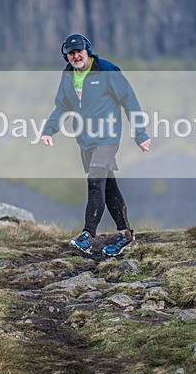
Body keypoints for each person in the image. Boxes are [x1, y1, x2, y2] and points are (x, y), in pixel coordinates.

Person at [41, 33, 151, 256]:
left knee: (94, 182)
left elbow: (130, 101)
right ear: (66, 56)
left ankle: (87, 236)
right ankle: (126, 235)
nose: (76, 56)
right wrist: (49, 129)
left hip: (107, 139)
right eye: (71, 53)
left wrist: (140, 134)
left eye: (79, 51)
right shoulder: (68, 76)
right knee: (108, 187)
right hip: (85, 141)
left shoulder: (107, 71)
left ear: (88, 50)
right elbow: (62, 107)